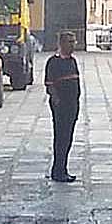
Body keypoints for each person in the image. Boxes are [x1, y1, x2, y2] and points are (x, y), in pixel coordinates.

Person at [45, 30, 80, 182]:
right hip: (61, 106)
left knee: (68, 138)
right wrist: (57, 101)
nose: (73, 45)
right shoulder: (54, 62)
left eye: (74, 42)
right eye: (70, 42)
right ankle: (58, 170)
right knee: (61, 138)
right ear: (62, 43)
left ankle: (63, 168)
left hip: (72, 105)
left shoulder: (72, 61)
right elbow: (50, 85)